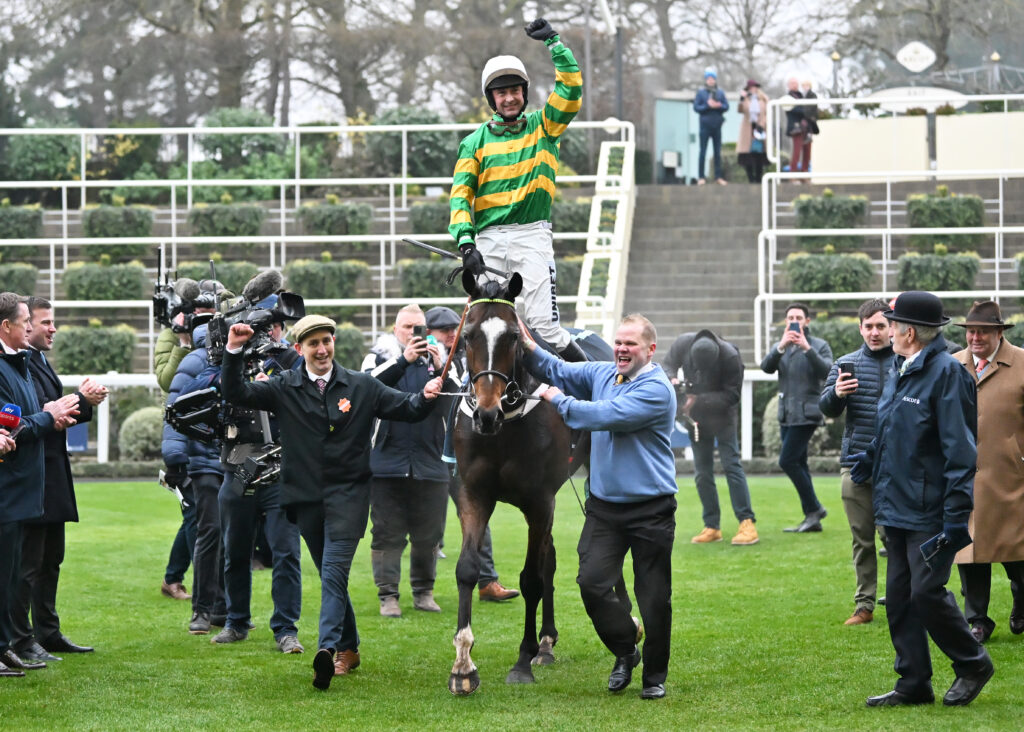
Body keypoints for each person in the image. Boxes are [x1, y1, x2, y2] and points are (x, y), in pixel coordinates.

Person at [220, 314, 442, 691]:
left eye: (327, 341)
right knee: (330, 575)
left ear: (334, 342)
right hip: (305, 499)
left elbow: (408, 408)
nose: (322, 350)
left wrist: (428, 394)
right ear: (299, 348)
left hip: (349, 496)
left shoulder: (361, 385)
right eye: (313, 344)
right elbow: (235, 392)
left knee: (334, 571)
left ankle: (328, 649)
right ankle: (350, 648)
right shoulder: (283, 386)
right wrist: (233, 349)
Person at [521, 313, 677, 700]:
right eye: (618, 342)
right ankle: (626, 650)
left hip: (652, 510)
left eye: (630, 344)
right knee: (591, 584)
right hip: (605, 509)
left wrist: (557, 399)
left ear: (650, 350)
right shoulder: (603, 373)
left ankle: (654, 678)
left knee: (654, 598)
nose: (621, 349)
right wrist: (524, 342)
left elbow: (603, 415)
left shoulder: (656, 390)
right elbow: (556, 368)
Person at [850, 291, 993, 708]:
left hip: (930, 510)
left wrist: (956, 516)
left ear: (909, 332)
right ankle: (913, 683)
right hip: (895, 504)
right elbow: (891, 427)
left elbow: (960, 451)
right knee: (899, 598)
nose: (888, 330)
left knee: (926, 593)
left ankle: (973, 664)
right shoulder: (901, 368)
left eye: (893, 324)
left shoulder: (948, 374)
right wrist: (870, 457)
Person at [451, 18, 587, 362]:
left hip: (532, 237)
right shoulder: (473, 143)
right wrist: (466, 243)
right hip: (489, 240)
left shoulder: (545, 126)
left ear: (524, 93)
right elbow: (460, 196)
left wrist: (555, 44)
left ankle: (594, 384)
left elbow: (571, 90)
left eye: (515, 91)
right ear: (491, 98)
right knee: (480, 324)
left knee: (547, 328)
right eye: (502, 93)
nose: (510, 98)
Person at [10, 297, 107, 663]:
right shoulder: (17, 363)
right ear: (24, 324)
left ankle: (47, 633)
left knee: (51, 559)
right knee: (28, 564)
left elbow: (53, 412)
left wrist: (84, 402)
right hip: (32, 475)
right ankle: (20, 639)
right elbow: (37, 414)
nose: (52, 328)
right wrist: (77, 399)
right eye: (44, 322)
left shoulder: (36, 360)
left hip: (52, 474)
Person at [206, 297, 305, 655]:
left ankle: (286, 629)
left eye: (272, 326)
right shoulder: (223, 356)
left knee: (286, 552)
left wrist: (275, 373)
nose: (267, 333)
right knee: (235, 551)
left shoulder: (292, 360)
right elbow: (210, 388)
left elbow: (308, 381)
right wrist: (234, 350)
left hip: (280, 471)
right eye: (262, 326)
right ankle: (236, 622)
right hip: (238, 468)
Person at [0, 293, 79, 678]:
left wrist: (54, 414)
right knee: (11, 572)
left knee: (18, 571)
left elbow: (21, 420)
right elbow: (16, 425)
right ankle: (12, 642)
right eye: (27, 322)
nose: (34, 328)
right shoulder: (8, 368)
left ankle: (10, 645)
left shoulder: (21, 365)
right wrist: (48, 416)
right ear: (7, 326)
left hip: (28, 486)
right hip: (11, 486)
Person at [361, 305, 456, 617]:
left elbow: (456, 405)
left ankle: (423, 592)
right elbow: (366, 390)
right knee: (386, 533)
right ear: (395, 329)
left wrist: (441, 368)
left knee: (429, 534)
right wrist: (404, 360)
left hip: (431, 463)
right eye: (407, 327)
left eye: (419, 328)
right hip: (387, 463)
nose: (413, 334)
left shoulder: (444, 362)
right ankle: (388, 595)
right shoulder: (377, 358)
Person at [426, 306, 520, 602]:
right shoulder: (395, 357)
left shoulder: (466, 357)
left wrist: (442, 368)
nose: (450, 334)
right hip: (422, 453)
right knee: (427, 522)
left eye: (454, 328)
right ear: (428, 333)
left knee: (475, 513)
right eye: (443, 330)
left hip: (457, 452)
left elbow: (465, 394)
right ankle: (421, 590)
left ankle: (487, 580)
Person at [950, 301, 1024, 644]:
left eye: (982, 332)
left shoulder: (1021, 363)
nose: (975, 338)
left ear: (999, 333)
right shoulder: (952, 365)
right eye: (971, 331)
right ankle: (977, 620)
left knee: (1018, 552)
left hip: (1011, 476)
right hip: (963, 477)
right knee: (970, 551)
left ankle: (1021, 603)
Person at [818, 298, 893, 626]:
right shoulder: (845, 363)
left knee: (895, 538)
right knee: (862, 539)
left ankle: (906, 598)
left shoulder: (906, 362)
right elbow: (826, 408)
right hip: (855, 463)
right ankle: (864, 605)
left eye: (881, 326)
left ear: (892, 328)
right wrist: (837, 393)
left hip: (896, 465)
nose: (875, 332)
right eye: (869, 326)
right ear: (860, 328)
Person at [155, 280, 224, 603]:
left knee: (197, 515)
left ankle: (174, 578)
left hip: (213, 441)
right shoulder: (172, 334)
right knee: (196, 515)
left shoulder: (222, 334)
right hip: (182, 437)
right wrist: (183, 342)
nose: (206, 319)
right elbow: (167, 380)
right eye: (201, 312)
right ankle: (188, 583)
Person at [662, 329, 758, 546]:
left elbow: (732, 395)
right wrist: (672, 378)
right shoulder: (682, 343)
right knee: (702, 472)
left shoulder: (731, 356)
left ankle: (747, 522)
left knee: (731, 465)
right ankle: (712, 526)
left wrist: (698, 399)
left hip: (723, 415)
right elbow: (666, 365)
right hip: (696, 418)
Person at [162, 322, 227, 635]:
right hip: (204, 460)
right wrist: (175, 459)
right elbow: (175, 408)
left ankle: (225, 609)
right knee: (210, 531)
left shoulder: (246, 359)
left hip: (234, 458)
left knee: (231, 535)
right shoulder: (196, 360)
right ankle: (202, 610)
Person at [760, 303, 833, 532]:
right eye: (790, 318)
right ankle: (812, 517)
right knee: (799, 462)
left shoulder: (819, 345)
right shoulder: (781, 346)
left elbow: (827, 371)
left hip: (808, 413)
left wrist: (807, 348)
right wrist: (780, 347)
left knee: (787, 460)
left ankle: (815, 508)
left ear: (807, 321)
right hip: (787, 413)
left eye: (798, 318)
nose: (794, 321)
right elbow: (766, 367)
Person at [693, 68, 729, 185]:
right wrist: (707, 106)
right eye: (708, 78)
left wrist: (718, 106)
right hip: (705, 126)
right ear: (706, 80)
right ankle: (701, 177)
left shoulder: (720, 93)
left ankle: (718, 177)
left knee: (717, 152)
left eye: (712, 78)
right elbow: (696, 107)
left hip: (717, 126)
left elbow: (726, 106)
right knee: (702, 151)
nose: (710, 80)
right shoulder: (701, 93)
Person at [736, 79, 769, 183]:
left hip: (760, 128)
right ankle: (751, 178)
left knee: (759, 154)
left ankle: (758, 179)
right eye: (751, 88)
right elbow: (740, 110)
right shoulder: (745, 99)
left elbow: (767, 113)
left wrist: (761, 125)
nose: (753, 89)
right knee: (747, 155)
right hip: (748, 129)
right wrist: (742, 99)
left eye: (755, 87)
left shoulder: (763, 99)